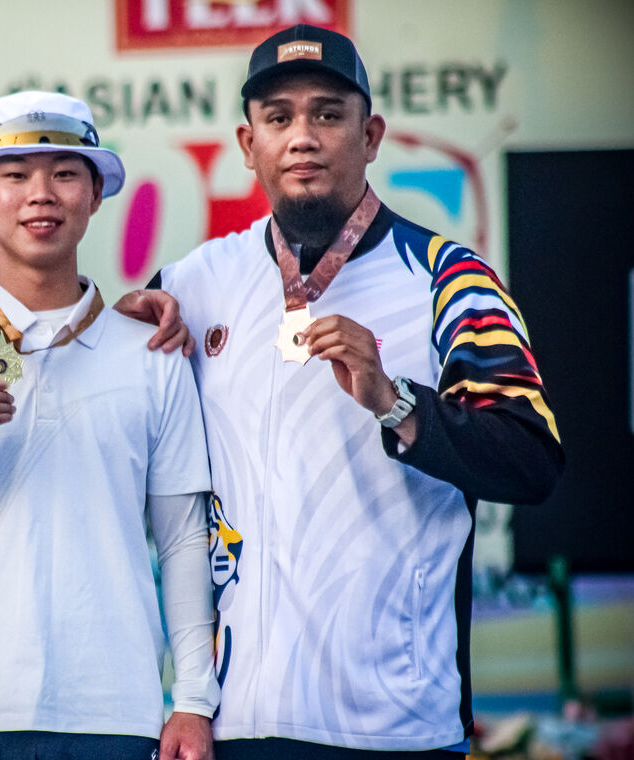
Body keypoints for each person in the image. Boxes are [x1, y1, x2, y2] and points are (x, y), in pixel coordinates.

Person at [149, 24, 565, 759]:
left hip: (397, 724)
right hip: (241, 721)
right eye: (278, 118)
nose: (302, 137)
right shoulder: (191, 284)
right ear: (248, 146)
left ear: (370, 135)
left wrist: (398, 403)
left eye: (327, 114)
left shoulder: (450, 280)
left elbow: (533, 462)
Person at [0, 91, 219, 760]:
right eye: (15, 175)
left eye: (65, 173)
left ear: (95, 195)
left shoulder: (150, 350)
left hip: (117, 711)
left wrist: (193, 701)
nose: (42, 195)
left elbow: (182, 541)